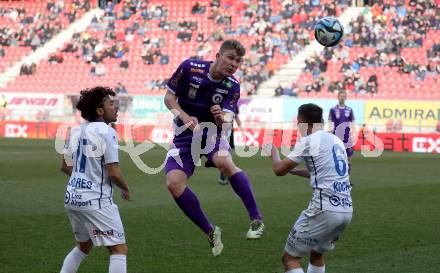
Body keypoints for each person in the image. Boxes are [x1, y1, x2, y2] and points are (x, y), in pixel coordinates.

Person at [164, 39, 264, 257]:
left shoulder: (232, 86)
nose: (233, 64)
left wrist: (220, 118)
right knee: (173, 183)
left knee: (223, 162)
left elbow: (227, 121)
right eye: (230, 58)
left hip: (212, 135)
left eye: (237, 61)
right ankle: (210, 230)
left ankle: (256, 219)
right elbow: (169, 98)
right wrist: (183, 115)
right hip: (184, 136)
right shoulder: (190, 68)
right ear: (218, 56)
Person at [267, 103, 353, 273]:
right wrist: (295, 171)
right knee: (316, 254)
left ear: (301, 121)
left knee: (290, 258)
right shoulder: (336, 140)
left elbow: (278, 170)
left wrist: (274, 153)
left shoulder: (308, 141)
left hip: (324, 209)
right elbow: (327, 171)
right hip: (346, 210)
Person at [59, 86, 130, 273]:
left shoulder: (75, 131)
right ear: (100, 110)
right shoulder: (107, 132)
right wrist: (126, 188)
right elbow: (113, 171)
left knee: (84, 246)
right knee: (118, 249)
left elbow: (65, 166)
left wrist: (83, 178)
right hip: (95, 201)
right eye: (111, 104)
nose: (116, 108)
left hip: (72, 198)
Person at [328, 90, 355, 172]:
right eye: (341, 96)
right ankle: (336, 177)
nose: (342, 98)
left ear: (346, 97)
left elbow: (352, 122)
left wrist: (353, 133)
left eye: (344, 96)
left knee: (348, 157)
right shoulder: (333, 109)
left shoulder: (349, 109)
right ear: (338, 97)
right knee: (335, 156)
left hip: (346, 136)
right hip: (336, 136)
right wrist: (330, 130)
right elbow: (330, 121)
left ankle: (347, 179)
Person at [218, 107, 242, 185]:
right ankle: (224, 174)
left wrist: (240, 126)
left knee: (228, 152)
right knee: (225, 152)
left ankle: (225, 173)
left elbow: (236, 116)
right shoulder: (217, 100)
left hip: (228, 131)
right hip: (218, 130)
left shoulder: (232, 101)